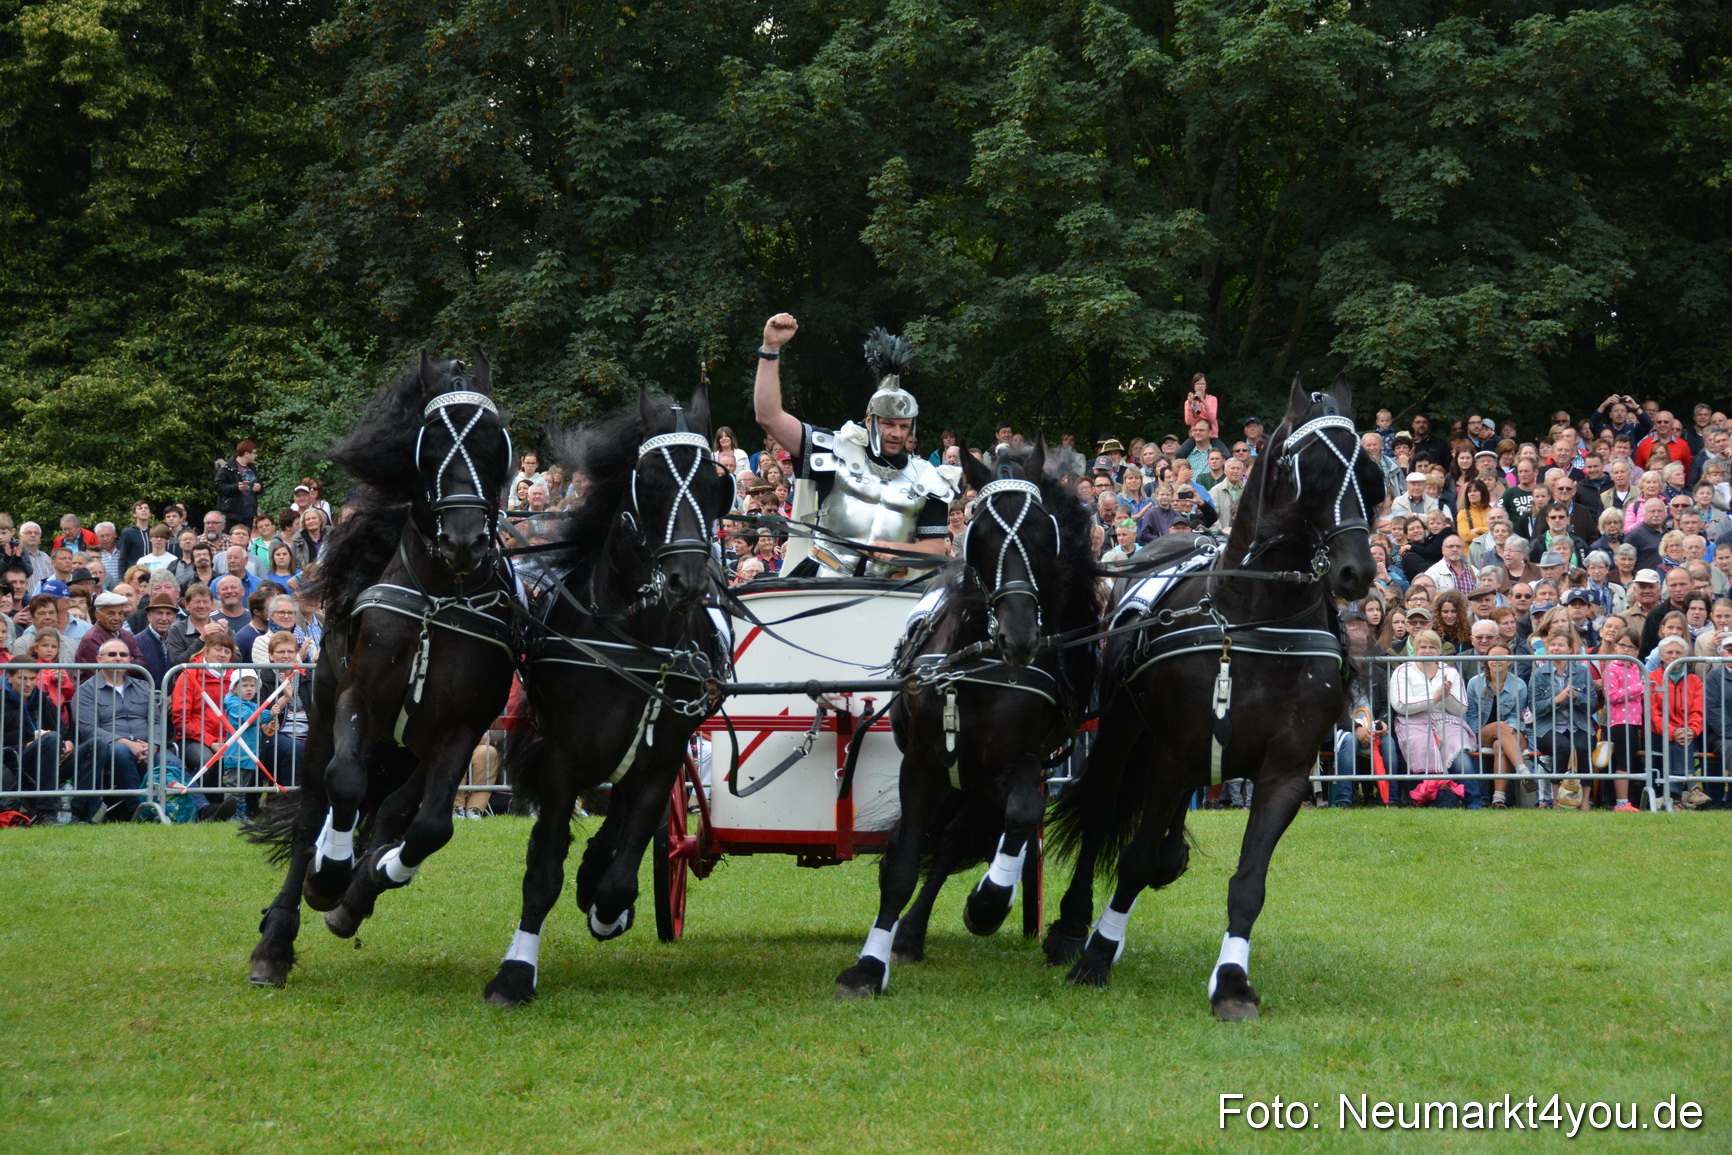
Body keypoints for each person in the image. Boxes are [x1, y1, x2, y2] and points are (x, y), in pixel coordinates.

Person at [753, 314, 959, 578]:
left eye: (904, 426)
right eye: (888, 424)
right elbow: (769, 417)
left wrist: (898, 549)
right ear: (870, 420)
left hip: (888, 589)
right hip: (824, 577)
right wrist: (770, 350)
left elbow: (934, 549)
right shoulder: (834, 450)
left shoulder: (929, 477)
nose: (897, 433)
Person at [75, 640, 232, 823]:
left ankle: (204, 809)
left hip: (149, 746)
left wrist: (154, 745)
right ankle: (141, 812)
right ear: (99, 659)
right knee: (121, 751)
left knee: (171, 761)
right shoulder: (86, 690)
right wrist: (126, 743)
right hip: (113, 748)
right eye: (112, 654)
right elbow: (87, 729)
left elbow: (157, 722)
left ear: (131, 660)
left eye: (123, 655)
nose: (118, 659)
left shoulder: (143, 686)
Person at [1389, 629, 1479, 807]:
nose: (1427, 651)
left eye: (1432, 647)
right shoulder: (1402, 670)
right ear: (1415, 649)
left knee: (1458, 751)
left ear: (1439, 650)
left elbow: (1460, 708)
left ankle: (1474, 801)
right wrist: (1433, 698)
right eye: (1423, 647)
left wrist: (1446, 696)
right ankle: (1426, 799)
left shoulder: (1450, 672)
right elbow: (1400, 704)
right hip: (1412, 721)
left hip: (1448, 720)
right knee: (1423, 746)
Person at [1529, 622, 1596, 808]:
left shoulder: (1582, 672)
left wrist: (1577, 697)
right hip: (1548, 728)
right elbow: (1534, 707)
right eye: (1552, 644)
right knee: (1562, 746)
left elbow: (1593, 702)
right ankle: (1556, 800)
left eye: (1560, 645)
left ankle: (1585, 801)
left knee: (1583, 747)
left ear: (1570, 649)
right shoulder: (1538, 674)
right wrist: (1555, 700)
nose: (1556, 648)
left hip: (1579, 724)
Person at [1465, 644, 1533, 809]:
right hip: (1484, 732)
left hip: (1513, 732)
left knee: (1500, 745)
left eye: (1502, 657)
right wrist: (1474, 738)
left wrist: (1510, 730)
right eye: (1492, 657)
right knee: (1500, 727)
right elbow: (1472, 715)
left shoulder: (1519, 685)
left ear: (1510, 661)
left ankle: (1498, 800)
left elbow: (1518, 715)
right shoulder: (1475, 683)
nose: (1496, 661)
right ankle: (1523, 772)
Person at [1649, 635, 1704, 808]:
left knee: (1681, 739)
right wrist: (1672, 731)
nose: (1674, 656)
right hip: (1658, 734)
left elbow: (1698, 711)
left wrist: (1692, 730)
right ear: (1661, 655)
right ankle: (1691, 786)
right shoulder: (1651, 678)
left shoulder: (1694, 680)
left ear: (1685, 655)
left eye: (1678, 652)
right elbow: (1652, 714)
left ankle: (1674, 797)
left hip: (1687, 734)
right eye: (1669, 652)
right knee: (1674, 740)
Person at [215, 439, 263, 530]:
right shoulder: (227, 467)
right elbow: (218, 486)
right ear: (246, 454)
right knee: (231, 540)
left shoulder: (252, 468)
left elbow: (260, 485)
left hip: (249, 513)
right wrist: (236, 487)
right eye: (254, 453)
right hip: (231, 514)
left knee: (245, 539)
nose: (256, 455)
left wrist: (259, 488)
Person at [1181, 372, 1218, 440]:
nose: (1200, 386)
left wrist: (1203, 401)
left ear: (1206, 385)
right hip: (1196, 435)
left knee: (1224, 451)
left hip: (1211, 435)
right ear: (1193, 386)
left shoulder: (1212, 399)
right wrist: (1189, 404)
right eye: (1197, 384)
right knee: (1181, 451)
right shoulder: (1188, 402)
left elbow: (1212, 418)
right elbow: (1189, 422)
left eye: (1202, 384)